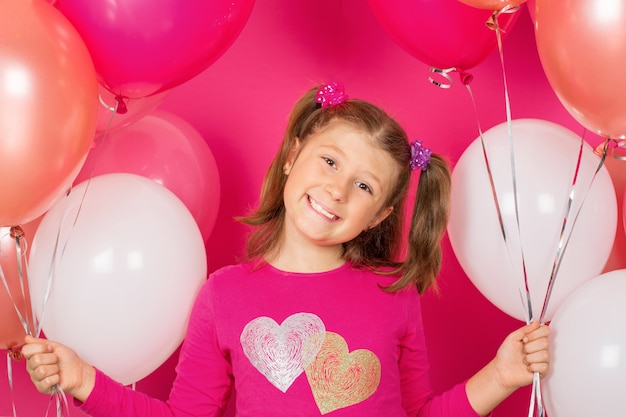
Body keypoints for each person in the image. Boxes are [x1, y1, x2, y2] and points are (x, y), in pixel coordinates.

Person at [22, 82, 550, 417]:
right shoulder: (223, 296)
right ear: (294, 154)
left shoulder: (395, 293)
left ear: (384, 214)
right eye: (329, 161)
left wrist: (501, 375)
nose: (338, 190)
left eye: (365, 187)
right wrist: (83, 380)